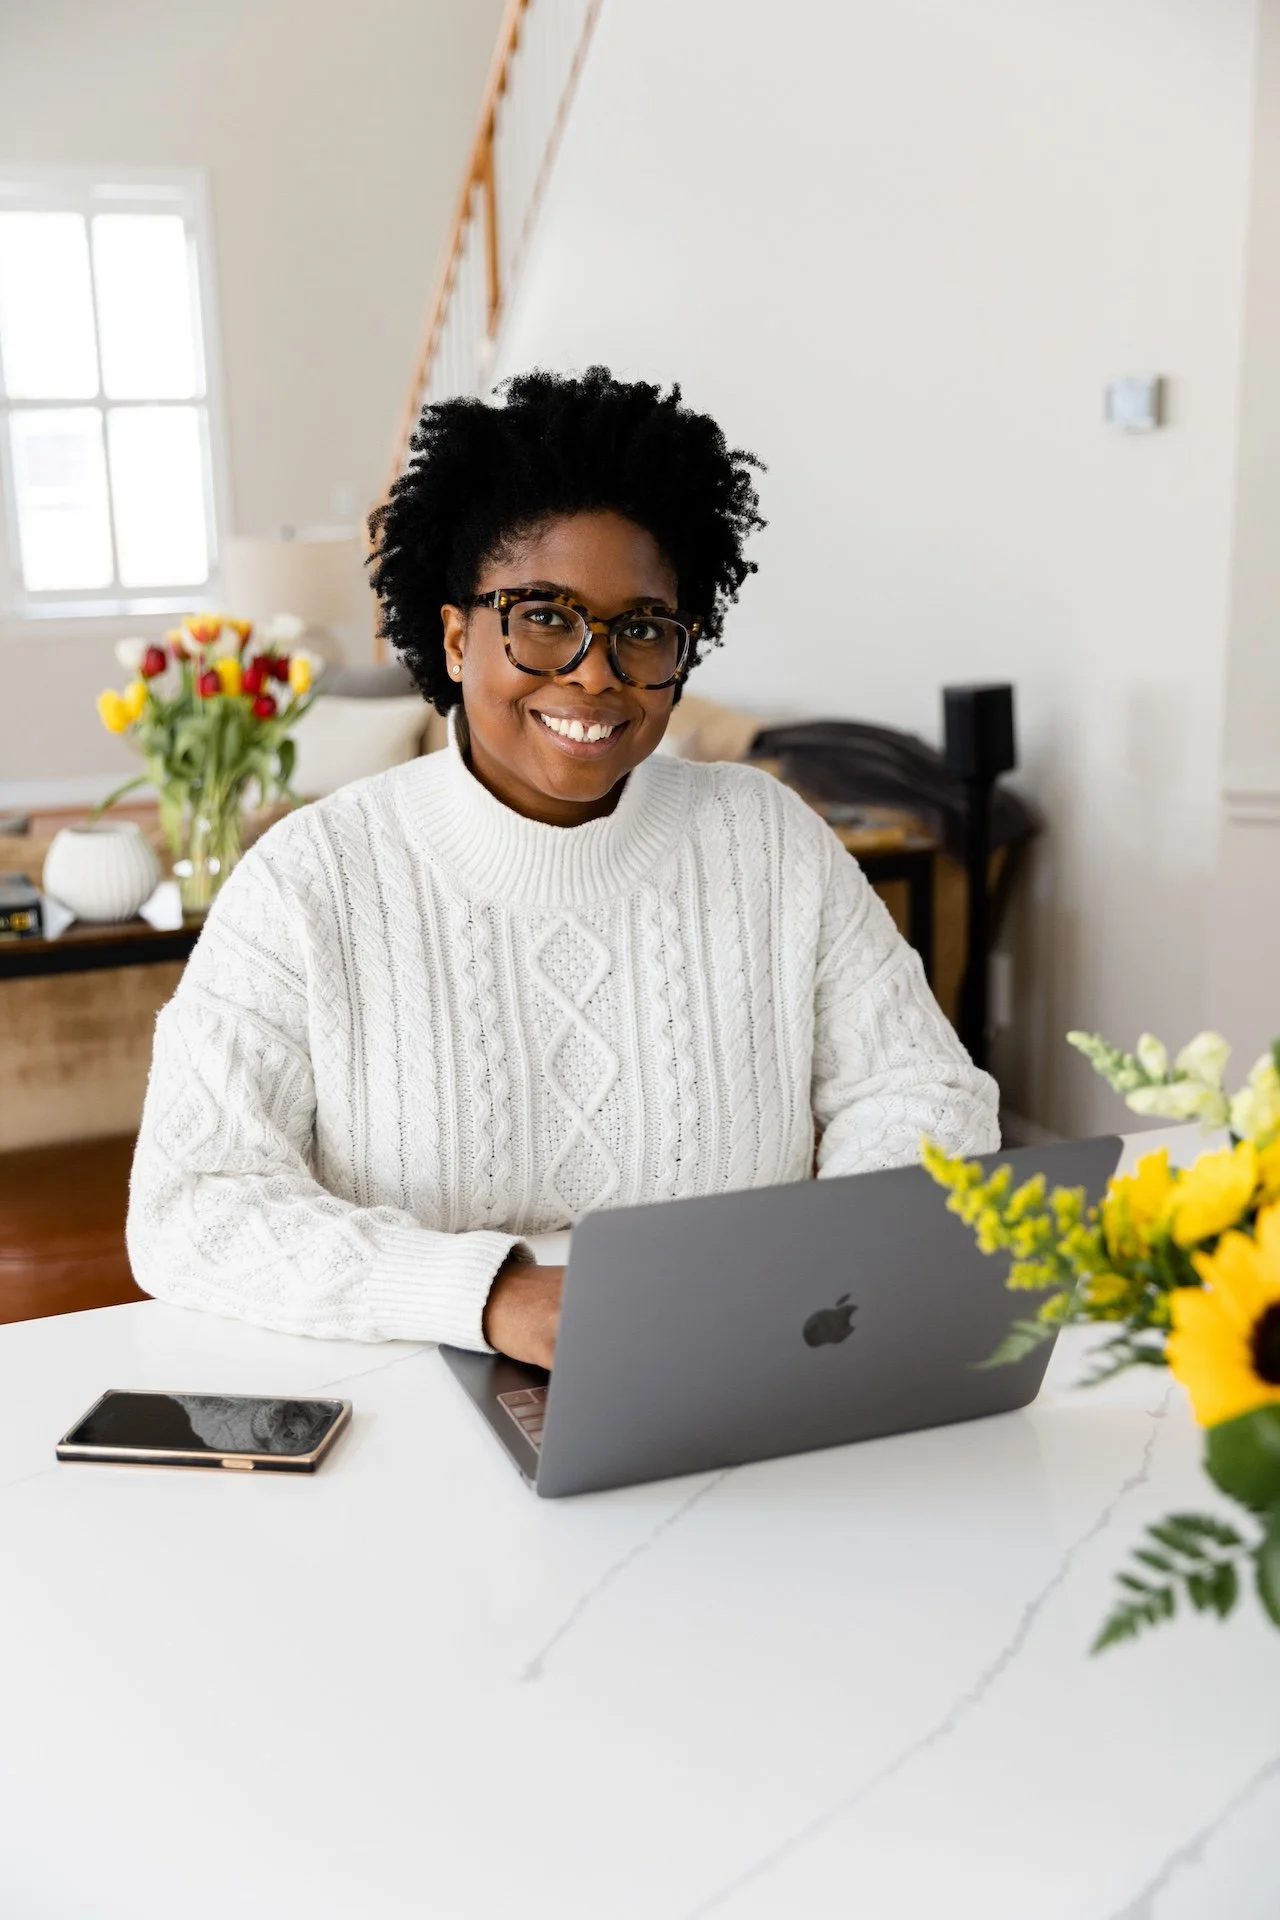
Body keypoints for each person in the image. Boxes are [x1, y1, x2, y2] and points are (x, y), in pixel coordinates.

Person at [127, 368, 999, 1369]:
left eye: (640, 629)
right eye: (543, 616)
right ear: (456, 638)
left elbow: (925, 1096)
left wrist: (822, 1272)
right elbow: (189, 1204)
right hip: (418, 1393)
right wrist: (490, 1296)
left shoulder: (766, 842)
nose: (595, 672)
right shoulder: (308, 881)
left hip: (736, 1367)